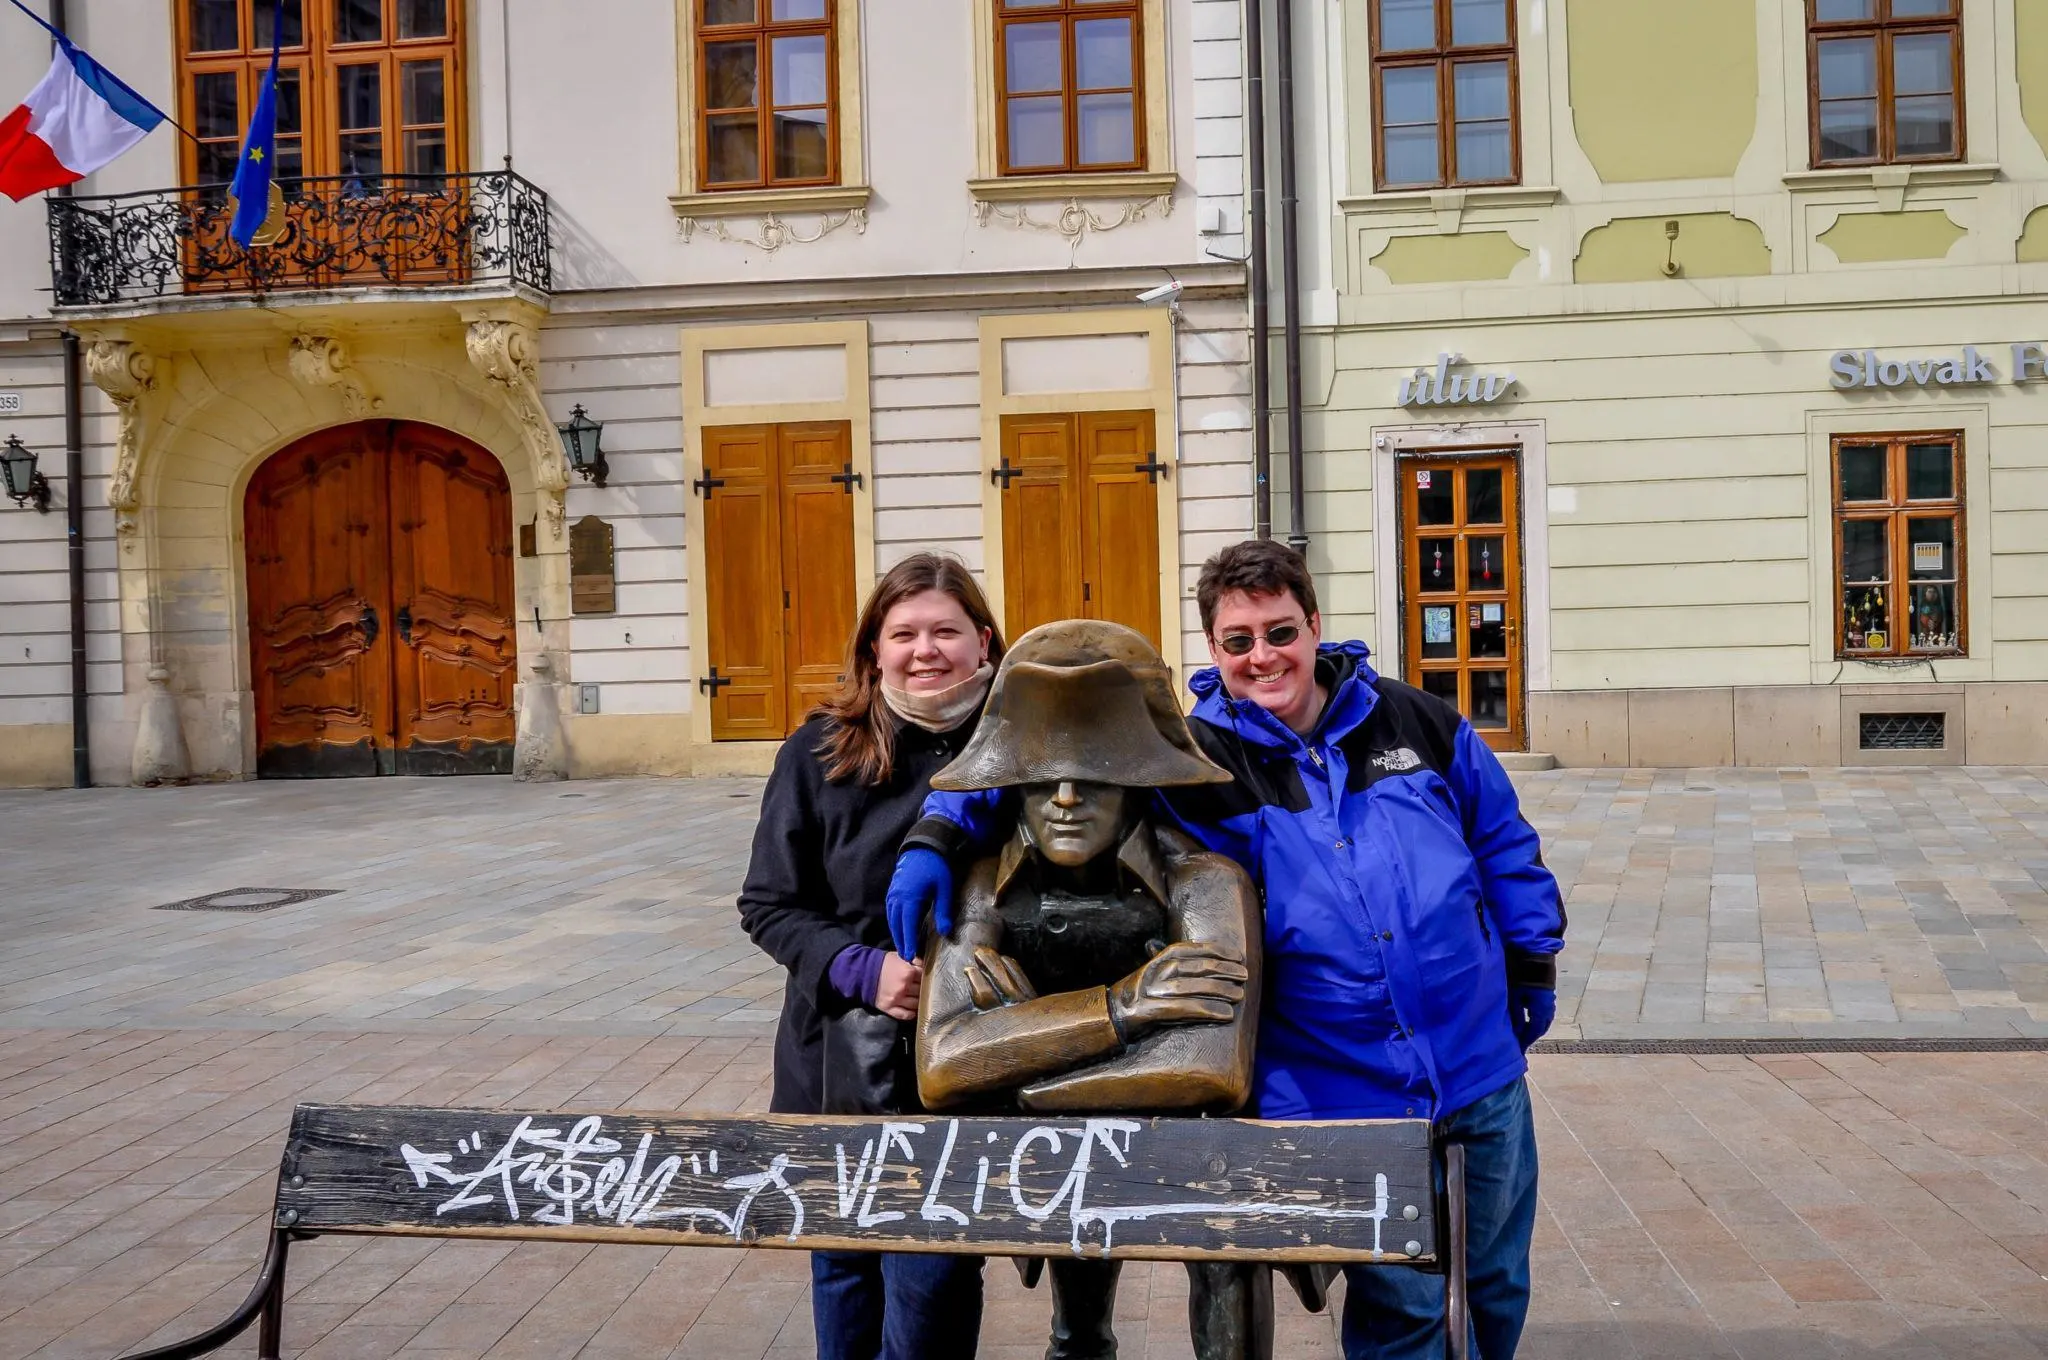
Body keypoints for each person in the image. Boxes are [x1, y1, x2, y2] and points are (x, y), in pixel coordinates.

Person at [887, 538, 1566, 1360]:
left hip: (1474, 1060)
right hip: (1338, 1081)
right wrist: (937, 829)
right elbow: (1043, 759)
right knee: (1406, 1302)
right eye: (1239, 641)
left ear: (1314, 625)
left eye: (1280, 632)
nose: (1264, 656)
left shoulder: (1414, 719)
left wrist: (1531, 959)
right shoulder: (1199, 759)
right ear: (1214, 649)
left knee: (1493, 1280)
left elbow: (1500, 839)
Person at [912, 619, 1268, 1360]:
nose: (1066, 798)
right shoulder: (980, 891)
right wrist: (1125, 1007)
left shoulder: (1204, 884)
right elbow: (944, 1065)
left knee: (1226, 1251)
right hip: (1053, 1163)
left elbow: (1207, 1070)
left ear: (1137, 782)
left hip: (1197, 1156)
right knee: (1075, 1332)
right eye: (1041, 778)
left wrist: (1023, 1068)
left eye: (1094, 776)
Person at [737, 551, 1003, 1360]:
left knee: (933, 1275)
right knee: (847, 1264)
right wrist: (862, 969)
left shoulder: (1018, 747)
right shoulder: (820, 753)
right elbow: (768, 904)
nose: (926, 650)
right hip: (837, 1059)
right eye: (905, 633)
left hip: (964, 1059)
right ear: (875, 650)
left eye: (946, 631)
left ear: (985, 642)